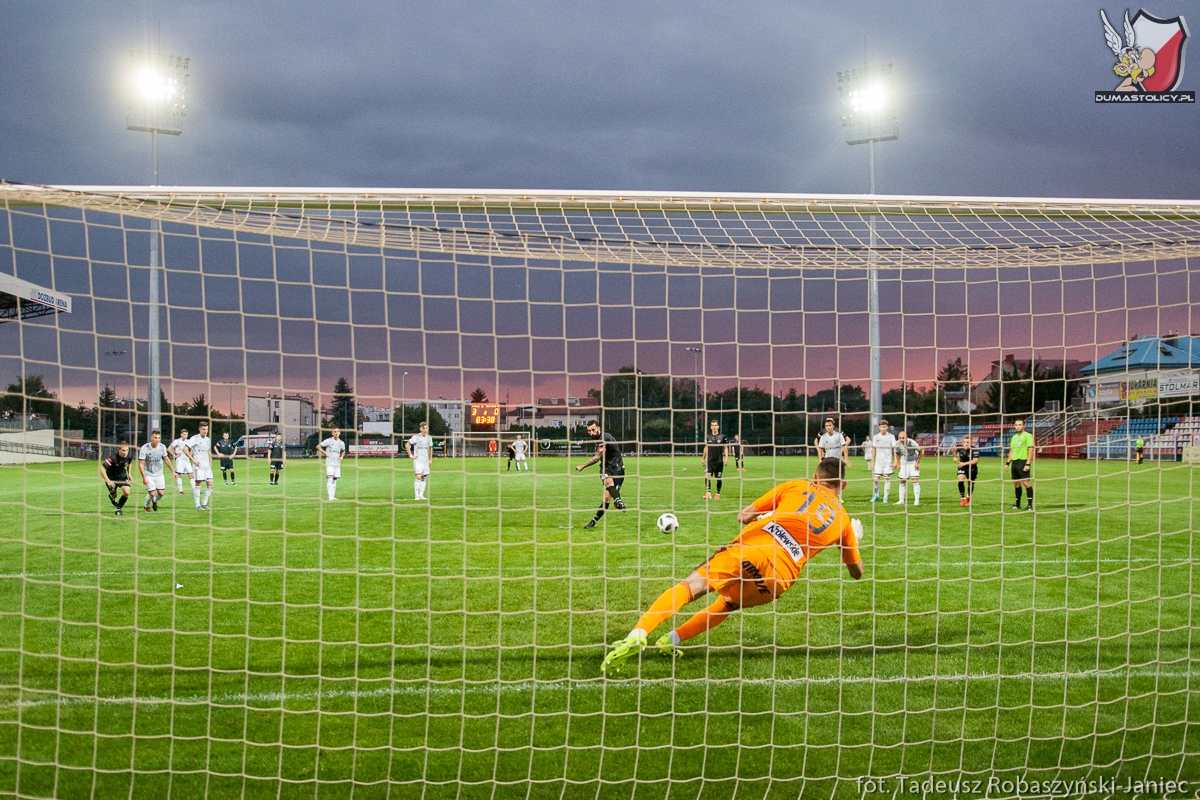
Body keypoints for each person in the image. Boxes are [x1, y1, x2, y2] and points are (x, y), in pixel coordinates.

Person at [602, 457, 864, 674]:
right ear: (844, 485)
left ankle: (639, 632)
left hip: (754, 547)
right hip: (780, 577)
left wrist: (768, 516)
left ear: (815, 477)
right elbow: (856, 573)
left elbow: (743, 516)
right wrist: (855, 540)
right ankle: (671, 641)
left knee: (693, 585)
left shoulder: (796, 486)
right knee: (728, 603)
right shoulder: (843, 520)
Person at [575, 422, 627, 529]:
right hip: (606, 467)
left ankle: (617, 499)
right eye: (589, 431)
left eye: (593, 430)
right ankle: (593, 522)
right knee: (608, 489)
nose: (591, 433)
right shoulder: (601, 438)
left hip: (618, 468)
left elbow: (597, 458)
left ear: (599, 428)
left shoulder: (604, 438)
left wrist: (583, 466)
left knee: (608, 497)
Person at [183, 422, 215, 510]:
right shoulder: (194, 438)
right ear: (199, 429)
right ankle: (197, 505)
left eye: (207, 429)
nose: (205, 431)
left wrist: (210, 463)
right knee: (199, 484)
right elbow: (185, 449)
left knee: (211, 485)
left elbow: (209, 452)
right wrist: (193, 460)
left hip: (207, 466)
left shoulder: (208, 439)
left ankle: (204, 503)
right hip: (198, 467)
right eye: (203, 429)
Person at [1006, 419, 1035, 511]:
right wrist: (1007, 463)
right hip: (1014, 463)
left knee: (1026, 483)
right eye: (1016, 425)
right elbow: (1012, 451)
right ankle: (1017, 504)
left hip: (1023, 461)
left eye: (1020, 425)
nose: (1018, 426)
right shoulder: (1014, 437)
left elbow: (1031, 450)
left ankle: (1030, 505)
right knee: (1016, 483)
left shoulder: (1028, 436)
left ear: (1024, 426)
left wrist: (1028, 464)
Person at [138, 429, 170, 512]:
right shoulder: (144, 448)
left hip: (159, 474)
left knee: (161, 493)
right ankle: (146, 505)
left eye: (158, 438)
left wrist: (173, 471)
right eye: (155, 438)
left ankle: (154, 501)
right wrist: (144, 477)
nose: (157, 440)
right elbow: (141, 463)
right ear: (151, 438)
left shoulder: (162, 447)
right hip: (148, 474)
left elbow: (166, 459)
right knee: (152, 493)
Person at [100, 442, 134, 515]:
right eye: (123, 450)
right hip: (111, 478)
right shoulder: (112, 458)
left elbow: (129, 463)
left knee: (127, 492)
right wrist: (108, 481)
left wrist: (129, 474)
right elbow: (102, 468)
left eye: (127, 450)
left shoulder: (129, 456)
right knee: (114, 495)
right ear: (119, 450)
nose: (125, 452)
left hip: (122, 477)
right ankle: (111, 497)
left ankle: (118, 508)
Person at [868, 420, 897, 503]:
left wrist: (895, 460)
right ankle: (876, 495)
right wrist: (872, 461)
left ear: (887, 427)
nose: (883, 428)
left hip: (888, 462)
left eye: (884, 427)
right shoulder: (876, 437)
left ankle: (885, 497)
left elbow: (894, 449)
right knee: (876, 479)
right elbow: (873, 449)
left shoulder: (891, 436)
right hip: (878, 462)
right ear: (879, 428)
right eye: (881, 427)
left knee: (887, 478)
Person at [317, 427, 347, 501]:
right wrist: (324, 453)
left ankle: (332, 496)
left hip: (337, 463)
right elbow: (318, 446)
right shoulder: (329, 441)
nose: (336, 433)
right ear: (332, 433)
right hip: (329, 462)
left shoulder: (341, 443)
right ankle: (329, 497)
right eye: (335, 432)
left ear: (339, 433)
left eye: (337, 432)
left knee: (335, 479)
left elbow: (343, 451)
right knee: (330, 478)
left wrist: (341, 457)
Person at [893, 430, 922, 506]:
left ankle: (916, 501)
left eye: (903, 438)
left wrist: (917, 463)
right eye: (900, 438)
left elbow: (920, 450)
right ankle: (901, 500)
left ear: (907, 437)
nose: (902, 439)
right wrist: (898, 464)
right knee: (902, 481)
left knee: (914, 480)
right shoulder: (897, 444)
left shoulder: (912, 443)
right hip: (904, 463)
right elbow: (896, 453)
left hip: (913, 462)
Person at [407, 421, 434, 500]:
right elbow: (407, 445)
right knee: (418, 476)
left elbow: (430, 448)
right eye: (423, 428)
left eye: (426, 428)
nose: (425, 430)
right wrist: (411, 455)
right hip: (418, 460)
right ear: (420, 429)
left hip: (425, 460)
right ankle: (416, 495)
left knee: (424, 477)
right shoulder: (416, 437)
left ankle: (421, 495)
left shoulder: (429, 437)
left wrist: (430, 459)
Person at [702, 420, 728, 499]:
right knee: (707, 476)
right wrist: (703, 458)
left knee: (718, 478)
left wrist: (726, 458)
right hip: (709, 461)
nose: (714, 427)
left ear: (718, 426)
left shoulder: (722, 437)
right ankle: (708, 493)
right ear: (710, 427)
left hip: (719, 461)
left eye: (715, 425)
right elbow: (706, 447)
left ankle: (718, 493)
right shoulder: (708, 437)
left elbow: (725, 448)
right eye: (712, 425)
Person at [956, 434, 979, 507]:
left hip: (972, 468)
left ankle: (968, 496)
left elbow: (975, 460)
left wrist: (964, 463)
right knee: (960, 479)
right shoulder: (959, 448)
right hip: (962, 468)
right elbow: (955, 450)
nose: (966, 444)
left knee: (970, 483)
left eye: (968, 442)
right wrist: (955, 457)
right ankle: (962, 498)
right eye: (964, 442)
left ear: (971, 443)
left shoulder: (974, 450)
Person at [169, 428, 193, 494]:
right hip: (180, 460)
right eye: (184, 434)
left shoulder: (188, 441)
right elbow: (169, 448)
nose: (185, 436)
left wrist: (190, 455)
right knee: (180, 474)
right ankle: (181, 490)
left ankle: (194, 489)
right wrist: (174, 455)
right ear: (181, 434)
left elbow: (192, 449)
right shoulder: (177, 441)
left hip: (187, 460)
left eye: (186, 434)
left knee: (191, 474)